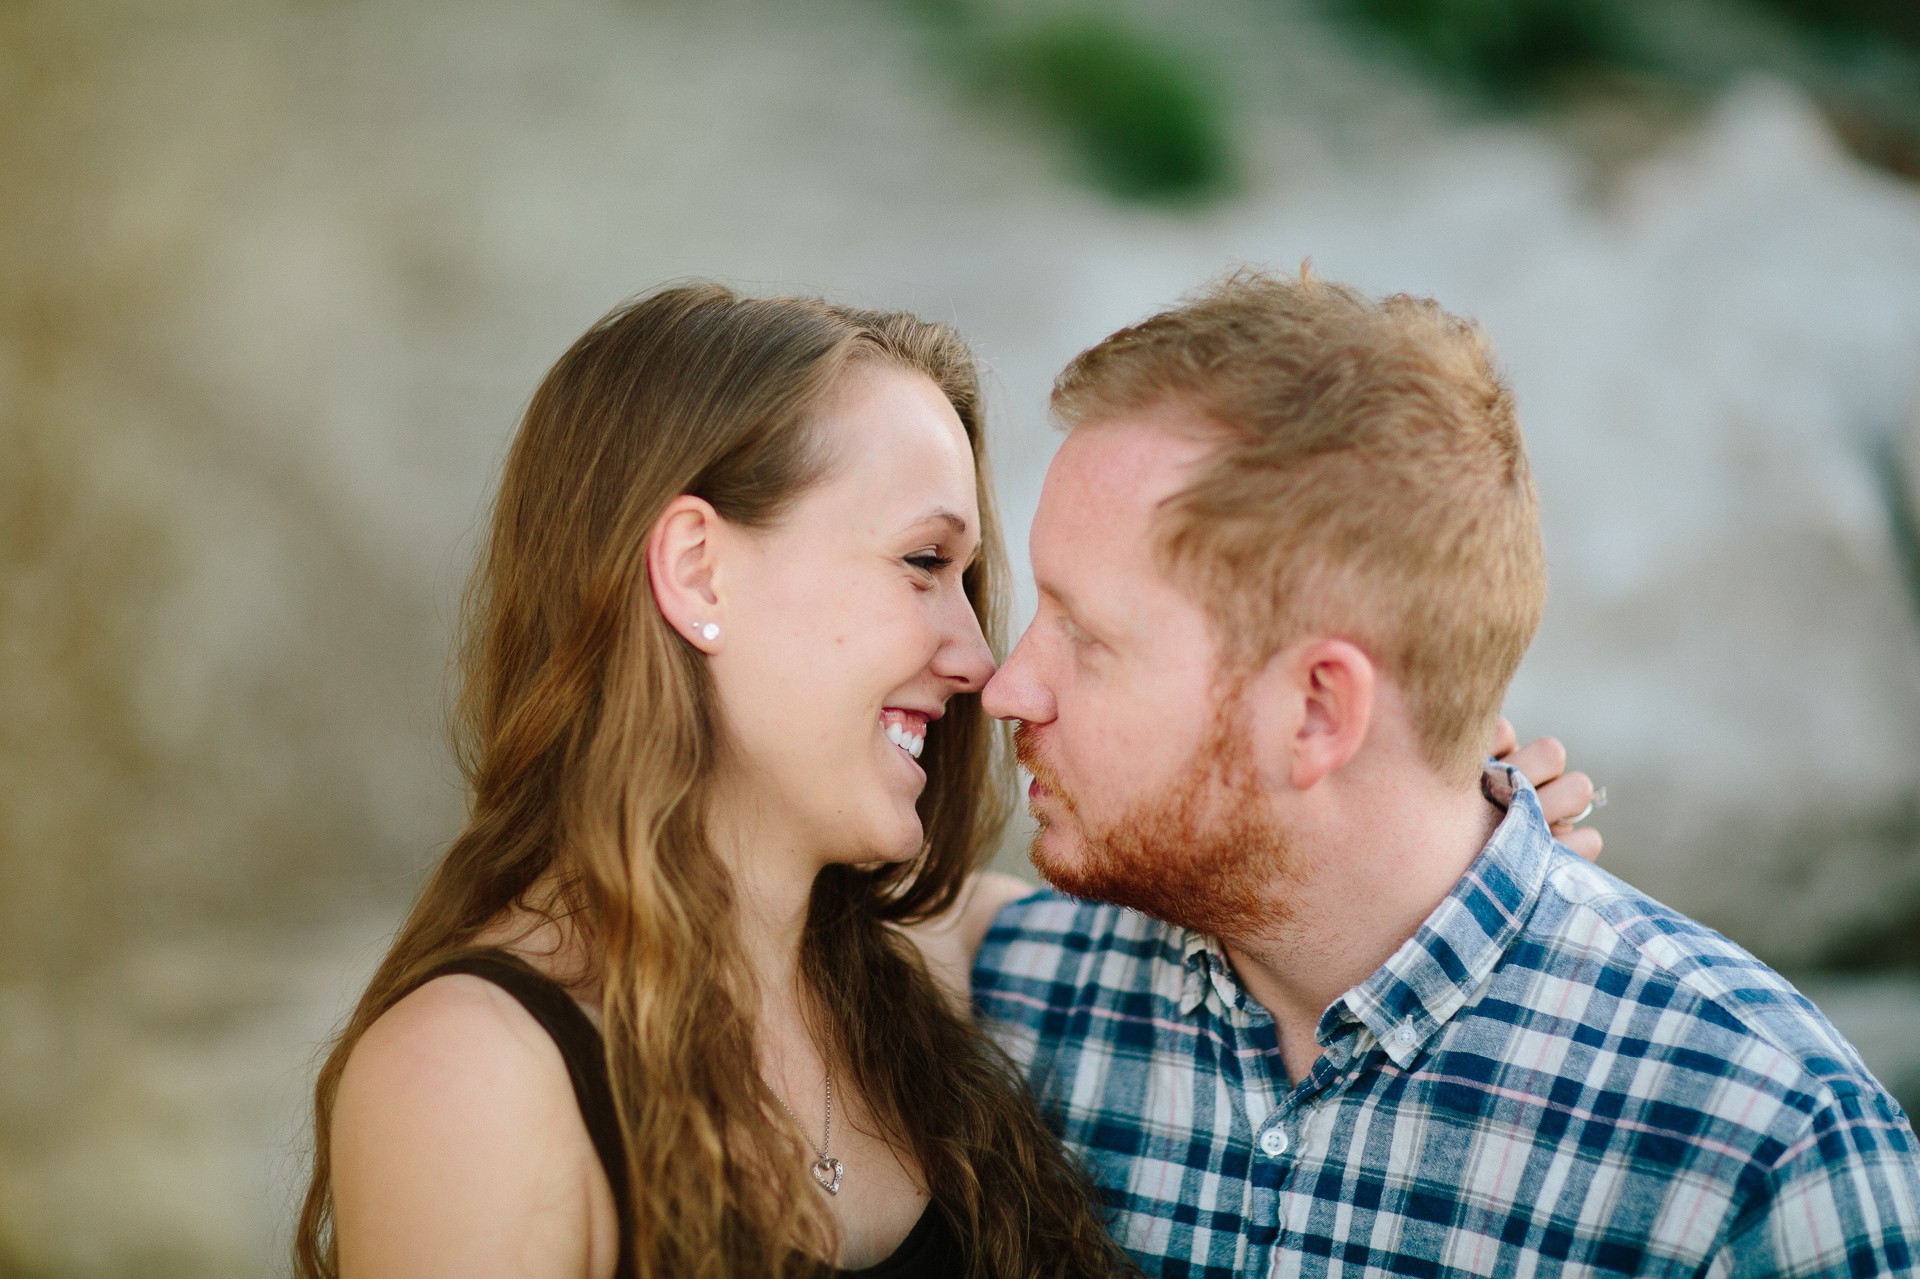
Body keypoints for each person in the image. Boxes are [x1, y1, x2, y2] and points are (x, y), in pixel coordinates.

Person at [968, 269, 1920, 1277]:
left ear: (1319, 711)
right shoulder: (1008, 1012)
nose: (1009, 687)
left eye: (1088, 636)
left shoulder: (1761, 1149)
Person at [292, 284, 1132, 1279]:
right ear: (696, 571)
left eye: (967, 580)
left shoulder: (946, 972)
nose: (979, 659)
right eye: (921, 560)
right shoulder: (477, 1078)